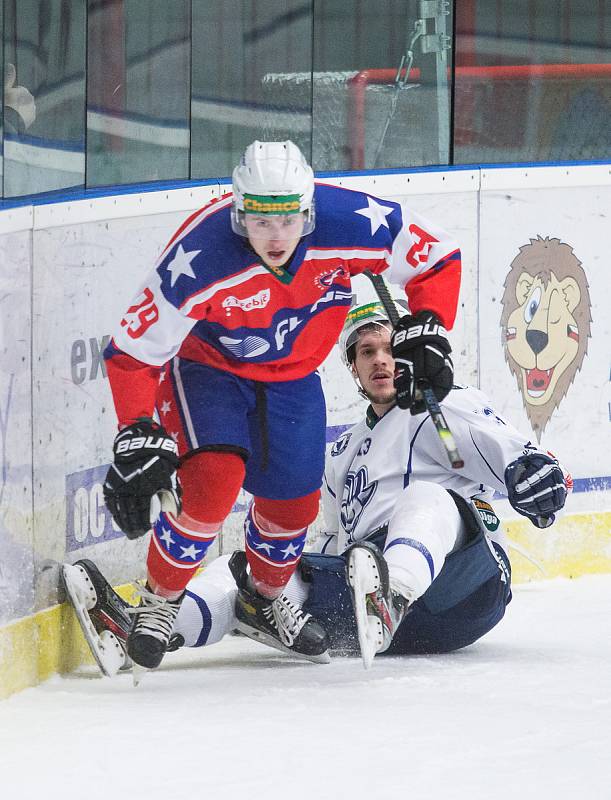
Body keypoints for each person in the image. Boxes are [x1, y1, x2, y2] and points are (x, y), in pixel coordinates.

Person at [100, 140, 462, 670]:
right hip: (208, 369)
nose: (275, 236)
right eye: (260, 221)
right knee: (211, 488)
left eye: (288, 219)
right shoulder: (201, 255)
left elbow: (437, 254)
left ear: (309, 212)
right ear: (238, 212)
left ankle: (263, 599)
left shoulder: (350, 222)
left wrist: (430, 324)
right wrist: (135, 426)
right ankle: (159, 601)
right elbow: (132, 353)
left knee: (294, 507)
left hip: (292, 374)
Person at [67, 301, 569, 673]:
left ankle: (395, 595)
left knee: (429, 498)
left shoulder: (442, 406)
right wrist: (286, 580)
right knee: (251, 570)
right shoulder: (340, 452)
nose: (380, 361)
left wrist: (535, 479)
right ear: (351, 367)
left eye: (390, 349)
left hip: (463, 590)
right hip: (372, 616)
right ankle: (143, 629)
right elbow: (335, 548)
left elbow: (520, 458)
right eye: (365, 352)